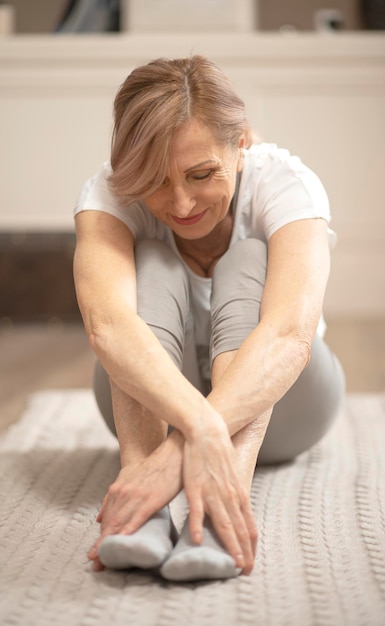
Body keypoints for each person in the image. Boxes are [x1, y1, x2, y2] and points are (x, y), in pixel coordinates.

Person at [73, 55, 345, 583]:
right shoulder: (108, 193)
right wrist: (192, 429)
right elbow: (107, 327)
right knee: (152, 259)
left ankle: (225, 500)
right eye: (155, 179)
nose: (180, 203)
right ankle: (143, 509)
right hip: (148, 410)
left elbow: (290, 337)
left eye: (201, 175)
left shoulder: (286, 182)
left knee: (246, 255)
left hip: (289, 408)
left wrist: (185, 446)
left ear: (241, 143)